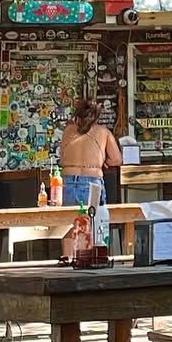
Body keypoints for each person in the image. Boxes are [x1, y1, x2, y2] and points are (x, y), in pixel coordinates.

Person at [58, 98, 121, 257]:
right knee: (94, 222)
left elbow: (62, 156)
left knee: (69, 223)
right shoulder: (103, 132)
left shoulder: (68, 131)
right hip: (92, 181)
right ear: (97, 117)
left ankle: (67, 259)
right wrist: (104, 162)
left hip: (68, 180)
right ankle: (91, 259)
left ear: (77, 115)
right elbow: (117, 159)